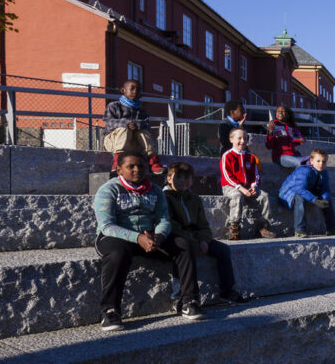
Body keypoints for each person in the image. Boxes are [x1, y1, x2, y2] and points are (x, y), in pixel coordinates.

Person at [94, 151, 202, 331]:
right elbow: (106, 225)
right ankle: (110, 310)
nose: (137, 170)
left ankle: (189, 300)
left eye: (142, 166)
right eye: (131, 166)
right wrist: (137, 238)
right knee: (117, 254)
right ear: (119, 169)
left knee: (183, 245)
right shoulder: (108, 189)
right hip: (115, 237)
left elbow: (164, 220)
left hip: (149, 236)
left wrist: (158, 236)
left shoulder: (155, 190)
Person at [163, 162, 252, 305]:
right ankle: (178, 295)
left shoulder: (195, 199)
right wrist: (194, 241)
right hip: (177, 237)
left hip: (196, 237)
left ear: (192, 180)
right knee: (182, 250)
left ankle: (227, 291)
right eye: (178, 178)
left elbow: (203, 224)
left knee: (223, 250)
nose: (183, 182)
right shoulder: (165, 197)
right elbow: (170, 224)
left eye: (187, 178)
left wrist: (203, 239)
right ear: (169, 179)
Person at [220, 127, 278, 240]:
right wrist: (241, 188)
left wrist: (253, 186)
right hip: (231, 186)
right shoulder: (227, 155)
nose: (242, 141)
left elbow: (255, 175)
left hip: (248, 187)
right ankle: (234, 227)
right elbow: (227, 175)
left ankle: (263, 227)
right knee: (237, 196)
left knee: (264, 196)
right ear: (231, 139)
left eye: (245, 138)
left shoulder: (250, 157)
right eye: (239, 138)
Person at [102, 80, 163, 174]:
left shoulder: (142, 112)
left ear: (141, 94)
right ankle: (118, 161)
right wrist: (126, 123)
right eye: (132, 89)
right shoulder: (114, 106)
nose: (135, 91)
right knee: (124, 128)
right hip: (114, 143)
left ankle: (153, 161)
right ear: (123, 90)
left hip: (133, 144)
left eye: (138, 90)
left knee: (143, 130)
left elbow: (148, 125)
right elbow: (108, 121)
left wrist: (139, 124)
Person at [280, 149, 335, 237]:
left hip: (308, 191)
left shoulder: (324, 172)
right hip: (288, 194)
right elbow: (299, 189)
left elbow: (325, 188)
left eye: (324, 162)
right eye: (318, 161)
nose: (321, 164)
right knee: (299, 197)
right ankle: (299, 230)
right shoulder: (304, 171)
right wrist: (314, 200)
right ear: (311, 161)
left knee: (327, 201)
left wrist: (325, 198)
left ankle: (332, 229)